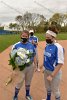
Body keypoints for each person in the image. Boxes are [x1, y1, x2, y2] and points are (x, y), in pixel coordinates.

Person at [11, 30, 37, 100]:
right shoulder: (16, 45)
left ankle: (27, 94)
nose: (24, 37)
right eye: (23, 36)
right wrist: (14, 66)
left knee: (28, 82)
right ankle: (15, 95)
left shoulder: (31, 45)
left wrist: (35, 65)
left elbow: (34, 55)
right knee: (19, 82)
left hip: (30, 67)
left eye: (26, 36)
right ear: (20, 36)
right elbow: (12, 57)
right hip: (20, 68)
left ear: (28, 37)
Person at [43, 26, 64, 100]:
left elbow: (60, 63)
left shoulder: (58, 47)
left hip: (54, 72)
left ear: (53, 37)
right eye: (46, 37)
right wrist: (42, 66)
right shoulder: (47, 45)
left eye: (48, 37)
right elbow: (45, 57)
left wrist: (52, 75)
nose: (46, 39)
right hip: (46, 71)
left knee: (55, 90)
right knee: (47, 87)